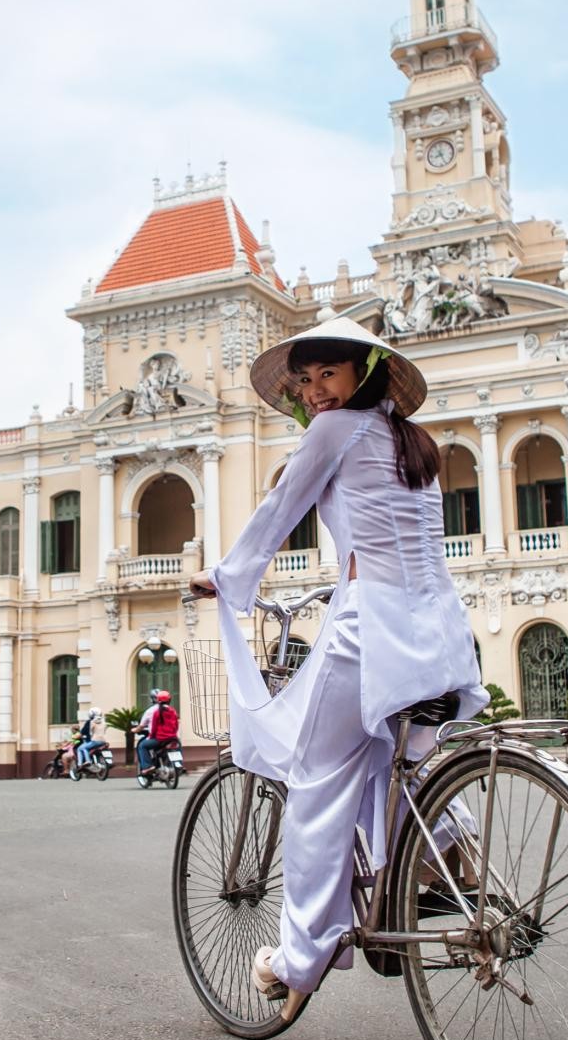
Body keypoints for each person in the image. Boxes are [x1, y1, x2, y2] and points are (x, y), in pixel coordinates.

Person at [189, 317, 482, 1004]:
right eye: (307, 379)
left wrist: (228, 577)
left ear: (363, 375)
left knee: (317, 781)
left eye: (329, 374)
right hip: (440, 637)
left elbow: (278, 507)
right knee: (388, 763)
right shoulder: (413, 441)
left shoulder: (332, 431)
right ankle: (444, 861)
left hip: (371, 632)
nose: (316, 390)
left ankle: (299, 955)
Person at [134, 689, 179, 783]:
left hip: (160, 739)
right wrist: (174, 735)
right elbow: (176, 725)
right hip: (172, 738)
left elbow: (153, 727)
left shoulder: (155, 712)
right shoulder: (173, 711)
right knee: (177, 746)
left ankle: (148, 766)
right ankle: (179, 764)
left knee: (143, 745)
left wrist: (151, 736)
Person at [72, 706, 106, 777]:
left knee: (80, 748)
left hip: (94, 741)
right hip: (103, 741)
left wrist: (75, 736)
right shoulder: (103, 722)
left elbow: (85, 732)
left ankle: (82, 763)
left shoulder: (90, 722)